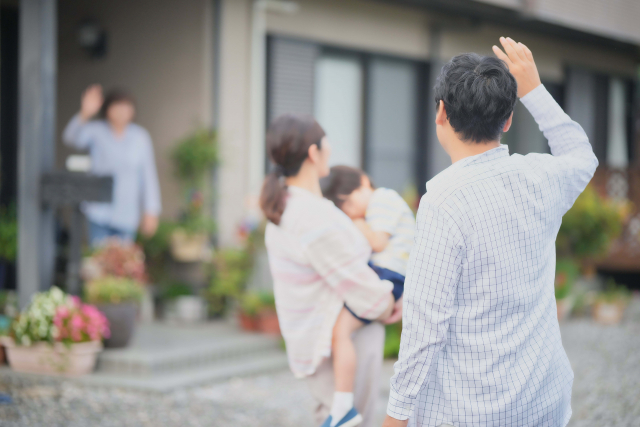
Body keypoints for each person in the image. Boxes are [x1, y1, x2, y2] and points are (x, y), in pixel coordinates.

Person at [383, 37, 598, 427]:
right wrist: (532, 88)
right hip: (544, 397)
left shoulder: (443, 202)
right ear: (509, 119)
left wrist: (395, 416)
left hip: (471, 412)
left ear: (441, 113)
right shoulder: (541, 175)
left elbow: (424, 326)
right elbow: (582, 155)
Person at [260, 114, 402, 427]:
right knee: (351, 420)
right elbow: (355, 282)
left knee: (332, 416)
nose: (331, 148)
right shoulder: (310, 217)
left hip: (326, 334)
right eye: (326, 142)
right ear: (313, 152)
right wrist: (390, 303)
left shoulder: (288, 208)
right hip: (346, 335)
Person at [321, 165, 415, 414]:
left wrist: (356, 220)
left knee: (340, 331)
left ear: (363, 183)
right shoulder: (379, 204)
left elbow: (378, 242)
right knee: (341, 328)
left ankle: (342, 405)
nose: (350, 212)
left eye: (349, 204)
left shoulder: (382, 198)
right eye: (345, 210)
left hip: (387, 275)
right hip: (389, 276)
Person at [63, 85, 161, 246]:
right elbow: (70, 138)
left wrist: (151, 210)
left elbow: (148, 176)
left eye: (126, 106)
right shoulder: (96, 131)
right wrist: (85, 114)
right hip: (98, 210)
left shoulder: (140, 137)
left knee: (122, 262)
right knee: (100, 261)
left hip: (127, 212)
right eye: (117, 106)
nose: (122, 111)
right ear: (107, 109)